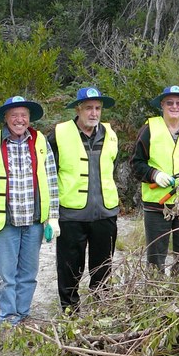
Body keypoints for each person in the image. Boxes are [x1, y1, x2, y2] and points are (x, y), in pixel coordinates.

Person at [0, 95, 60, 326]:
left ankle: (23, 314)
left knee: (28, 275)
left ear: (29, 118)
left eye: (23, 115)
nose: (19, 119)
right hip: (2, 223)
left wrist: (53, 217)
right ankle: (8, 319)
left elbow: (51, 180)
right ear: (5, 118)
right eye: (14, 115)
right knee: (6, 277)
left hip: (34, 222)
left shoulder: (40, 142)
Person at [47, 87, 119, 313]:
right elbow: (48, 174)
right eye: (89, 108)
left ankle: (102, 308)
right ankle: (70, 311)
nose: (94, 113)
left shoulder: (110, 134)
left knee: (103, 267)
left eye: (98, 108)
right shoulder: (58, 135)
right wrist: (51, 214)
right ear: (78, 109)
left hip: (105, 213)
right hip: (71, 214)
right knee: (69, 267)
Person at [131, 85, 179, 273]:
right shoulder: (149, 129)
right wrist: (154, 174)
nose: (174, 106)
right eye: (169, 102)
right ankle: (155, 294)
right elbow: (136, 163)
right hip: (156, 204)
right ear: (162, 105)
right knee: (155, 257)